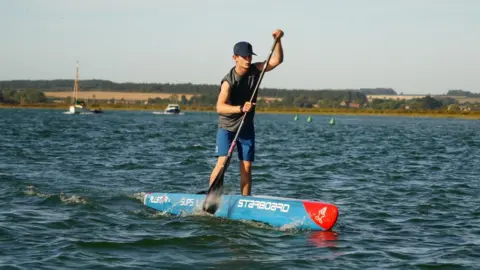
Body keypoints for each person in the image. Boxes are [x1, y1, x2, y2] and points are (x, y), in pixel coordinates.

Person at [209, 29, 284, 196]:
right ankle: (212, 198)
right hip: (228, 127)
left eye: (250, 56)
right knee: (223, 163)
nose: (248, 60)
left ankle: (245, 201)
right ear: (235, 58)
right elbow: (219, 107)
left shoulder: (256, 70)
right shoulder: (228, 81)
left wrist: (278, 40)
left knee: (247, 167)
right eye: (244, 57)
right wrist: (241, 108)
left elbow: (277, 60)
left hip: (246, 127)